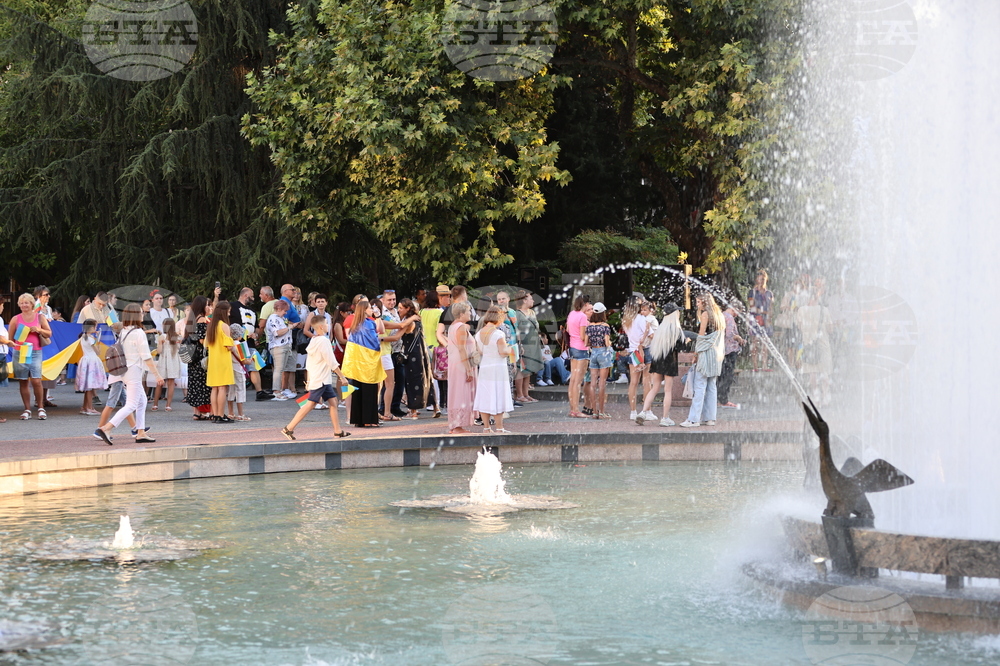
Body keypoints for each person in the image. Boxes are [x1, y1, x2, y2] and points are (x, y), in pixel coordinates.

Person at [94, 304, 162, 444]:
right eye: (141, 313)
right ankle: (107, 428)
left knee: (142, 401)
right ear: (136, 315)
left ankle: (141, 432)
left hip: (125, 370)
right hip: (134, 371)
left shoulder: (124, 331)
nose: (143, 314)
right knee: (131, 404)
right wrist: (157, 375)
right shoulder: (138, 333)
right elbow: (146, 356)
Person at [281, 314, 351, 440]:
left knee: (333, 402)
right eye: (326, 324)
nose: (328, 325)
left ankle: (337, 431)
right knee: (311, 404)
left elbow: (310, 363)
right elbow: (331, 361)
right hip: (321, 379)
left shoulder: (314, 340)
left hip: (320, 378)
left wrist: (309, 379)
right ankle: (289, 428)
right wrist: (342, 377)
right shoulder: (324, 341)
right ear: (321, 326)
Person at [680, 293, 726, 428]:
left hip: (706, 354)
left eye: (699, 302)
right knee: (712, 387)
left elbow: (701, 336)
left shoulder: (705, 314)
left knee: (700, 386)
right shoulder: (720, 316)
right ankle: (710, 418)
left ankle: (693, 419)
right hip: (716, 355)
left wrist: (696, 353)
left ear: (705, 303)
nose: (697, 304)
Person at [637, 303, 685, 426]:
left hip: (658, 360)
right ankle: (665, 418)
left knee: (655, 388)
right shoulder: (676, 330)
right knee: (668, 391)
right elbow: (680, 347)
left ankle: (643, 412)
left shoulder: (660, 328)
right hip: (670, 361)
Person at [342, 297, 386, 427]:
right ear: (365, 310)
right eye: (370, 308)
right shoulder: (369, 324)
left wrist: (377, 316)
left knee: (358, 390)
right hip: (367, 363)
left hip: (357, 363)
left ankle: (359, 420)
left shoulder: (355, 324)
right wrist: (378, 317)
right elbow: (376, 339)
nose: (372, 309)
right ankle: (369, 420)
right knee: (369, 390)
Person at [8, 293, 51, 420]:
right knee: (23, 381)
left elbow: (49, 333)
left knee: (37, 380)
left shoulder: (39, 317)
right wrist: (16, 345)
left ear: (32, 304)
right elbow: (10, 339)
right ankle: (27, 409)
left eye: (26, 302)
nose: (24, 305)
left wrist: (39, 330)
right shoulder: (15, 319)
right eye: (21, 303)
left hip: (35, 351)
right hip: (21, 352)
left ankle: (40, 407)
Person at [473, 305, 514, 433]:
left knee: (485, 395)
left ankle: (486, 427)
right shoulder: (498, 333)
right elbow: (502, 352)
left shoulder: (479, 333)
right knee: (498, 395)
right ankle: (500, 427)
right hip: (498, 368)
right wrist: (511, 350)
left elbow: (480, 351)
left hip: (485, 366)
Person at [797, 288, 833, 407]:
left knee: (812, 373)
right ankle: (826, 397)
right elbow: (830, 329)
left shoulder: (801, 310)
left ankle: (815, 398)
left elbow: (799, 326)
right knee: (824, 372)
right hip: (822, 345)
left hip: (809, 345)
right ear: (817, 297)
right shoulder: (824, 310)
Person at [446, 301, 477, 434]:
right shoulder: (462, 327)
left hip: (455, 363)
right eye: (468, 311)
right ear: (461, 314)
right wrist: (468, 369)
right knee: (461, 392)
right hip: (461, 364)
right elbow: (462, 348)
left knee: (456, 392)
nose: (470, 313)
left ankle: (456, 424)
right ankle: (458, 425)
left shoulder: (452, 326)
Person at [398, 298, 431, 419]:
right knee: (426, 379)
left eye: (401, 308)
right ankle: (435, 407)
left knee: (411, 381)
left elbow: (398, 333)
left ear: (407, 309)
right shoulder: (417, 320)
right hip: (421, 353)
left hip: (411, 355)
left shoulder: (409, 322)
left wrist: (382, 338)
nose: (398, 310)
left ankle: (413, 411)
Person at [230, 287, 264, 399]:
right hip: (237, 342)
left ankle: (259, 392)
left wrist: (256, 335)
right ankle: (234, 393)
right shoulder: (233, 306)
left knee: (254, 366)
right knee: (237, 368)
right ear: (245, 295)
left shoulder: (252, 311)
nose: (253, 298)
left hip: (250, 343)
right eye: (252, 295)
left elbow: (256, 327)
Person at [183, 295, 213, 420]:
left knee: (194, 384)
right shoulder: (201, 320)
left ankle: (197, 412)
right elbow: (202, 340)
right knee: (203, 384)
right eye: (207, 305)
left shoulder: (192, 318)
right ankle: (206, 411)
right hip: (201, 356)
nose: (209, 307)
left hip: (193, 357)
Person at [205, 301, 236, 422]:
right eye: (228, 311)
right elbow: (228, 346)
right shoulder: (224, 326)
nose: (229, 314)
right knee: (223, 388)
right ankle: (221, 414)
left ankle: (215, 414)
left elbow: (207, 345)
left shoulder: (211, 326)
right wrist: (233, 344)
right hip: (223, 359)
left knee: (215, 388)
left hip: (213, 360)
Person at [622, 296, 651, 421]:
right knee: (646, 382)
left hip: (633, 351)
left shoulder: (626, 320)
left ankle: (633, 411)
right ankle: (646, 410)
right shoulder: (641, 319)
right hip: (644, 350)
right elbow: (649, 334)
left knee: (633, 383)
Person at [585, 302, 613, 419]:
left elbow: (586, 343)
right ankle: (602, 412)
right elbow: (607, 342)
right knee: (602, 384)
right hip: (603, 353)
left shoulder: (589, 326)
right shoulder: (605, 326)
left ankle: (594, 411)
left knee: (593, 384)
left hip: (593, 353)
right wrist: (610, 343)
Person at [514, 290, 543, 403]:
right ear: (524, 300)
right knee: (521, 369)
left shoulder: (531, 312)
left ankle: (526, 394)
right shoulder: (517, 314)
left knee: (529, 369)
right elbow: (516, 330)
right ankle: (519, 394)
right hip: (523, 344)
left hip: (533, 343)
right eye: (530, 298)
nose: (533, 300)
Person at [566, 294, 591, 418]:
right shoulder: (582, 316)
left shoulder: (572, 314)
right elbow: (583, 336)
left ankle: (572, 408)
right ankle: (576, 410)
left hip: (573, 347)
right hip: (582, 349)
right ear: (585, 304)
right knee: (578, 381)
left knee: (573, 380)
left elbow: (569, 331)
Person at [75, 319, 107, 415]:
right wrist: (97, 339)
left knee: (87, 386)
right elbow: (98, 351)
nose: (96, 328)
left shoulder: (83, 337)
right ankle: (89, 407)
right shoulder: (90, 338)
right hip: (92, 361)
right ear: (91, 327)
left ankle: (85, 407)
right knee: (90, 386)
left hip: (86, 360)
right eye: (95, 327)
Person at [420, 290, 444, 416]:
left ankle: (430, 403)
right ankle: (438, 403)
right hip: (436, 346)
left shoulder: (421, 312)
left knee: (428, 376)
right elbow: (439, 331)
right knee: (437, 376)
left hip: (423, 346)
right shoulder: (440, 312)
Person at [718, 300, 745, 409]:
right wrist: (739, 338)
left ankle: (719, 398)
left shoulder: (722, 315)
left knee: (722, 375)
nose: (737, 314)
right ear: (734, 308)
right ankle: (723, 400)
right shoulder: (729, 318)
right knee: (727, 376)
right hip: (729, 351)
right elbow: (729, 334)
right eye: (738, 311)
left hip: (723, 351)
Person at [266, 299, 296, 400]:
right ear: (278, 309)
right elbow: (277, 333)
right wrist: (289, 328)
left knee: (281, 369)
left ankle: (280, 390)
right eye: (284, 310)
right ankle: (276, 391)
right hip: (278, 346)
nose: (285, 313)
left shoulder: (280, 318)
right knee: (278, 369)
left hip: (285, 346)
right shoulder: (273, 318)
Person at [152, 317, 181, 411]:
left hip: (163, 361)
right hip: (174, 361)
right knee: (171, 383)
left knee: (159, 383)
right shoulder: (178, 337)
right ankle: (168, 405)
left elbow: (159, 351)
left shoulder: (162, 337)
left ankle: (155, 404)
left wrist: (160, 343)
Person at [749, 269, 773, 371]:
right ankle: (755, 366)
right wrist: (764, 312)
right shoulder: (752, 292)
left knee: (765, 343)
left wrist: (769, 317)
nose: (762, 281)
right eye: (760, 279)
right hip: (755, 319)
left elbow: (771, 307)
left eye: (764, 279)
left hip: (766, 320)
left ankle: (764, 365)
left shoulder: (769, 293)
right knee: (755, 343)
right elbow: (751, 307)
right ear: (756, 280)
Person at [226, 323, 252, 421]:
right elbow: (244, 360)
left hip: (230, 369)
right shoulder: (240, 346)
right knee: (240, 390)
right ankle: (241, 414)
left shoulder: (229, 345)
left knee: (231, 391)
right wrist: (250, 360)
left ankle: (230, 412)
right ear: (239, 335)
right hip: (239, 370)